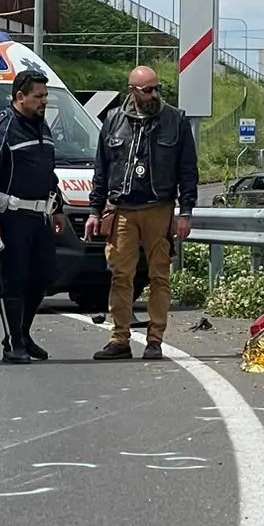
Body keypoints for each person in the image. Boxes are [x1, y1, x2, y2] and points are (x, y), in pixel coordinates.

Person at [86, 65, 198, 361]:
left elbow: (188, 170)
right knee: (121, 276)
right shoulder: (113, 121)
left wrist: (185, 211)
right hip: (122, 209)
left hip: (159, 208)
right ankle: (120, 339)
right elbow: (102, 169)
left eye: (156, 88)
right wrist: (95, 210)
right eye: (147, 90)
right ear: (132, 90)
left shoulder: (175, 120)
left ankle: (155, 340)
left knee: (160, 276)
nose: (153, 94)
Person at [0, 69, 65, 364]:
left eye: (45, 96)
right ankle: (13, 344)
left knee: (43, 277)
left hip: (39, 216)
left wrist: (59, 208)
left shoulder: (42, 127)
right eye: (38, 96)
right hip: (10, 216)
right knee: (14, 281)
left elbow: (46, 172)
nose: (44, 102)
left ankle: (22, 334)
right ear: (20, 97)